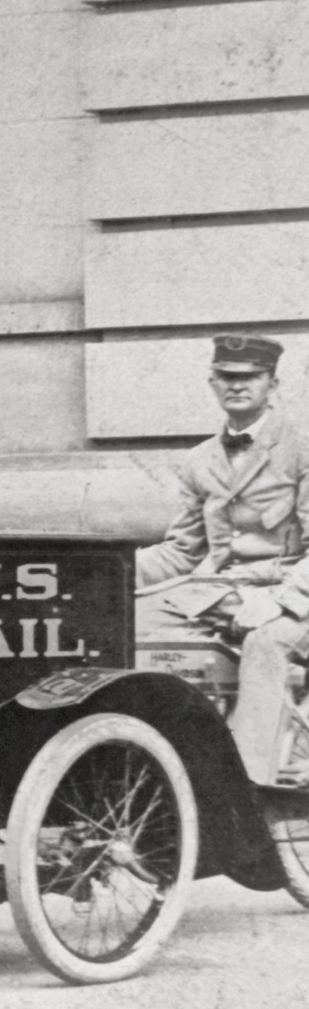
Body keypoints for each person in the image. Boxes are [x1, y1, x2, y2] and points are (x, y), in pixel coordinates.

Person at [138, 334, 309, 784]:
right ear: (212, 383)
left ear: (273, 384)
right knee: (121, 623)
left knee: (267, 642)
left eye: (250, 377)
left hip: (293, 598)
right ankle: (134, 762)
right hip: (219, 593)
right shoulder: (200, 460)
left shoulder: (301, 448)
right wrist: (109, 575)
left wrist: (281, 602)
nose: (237, 386)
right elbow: (182, 550)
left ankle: (250, 785)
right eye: (227, 378)